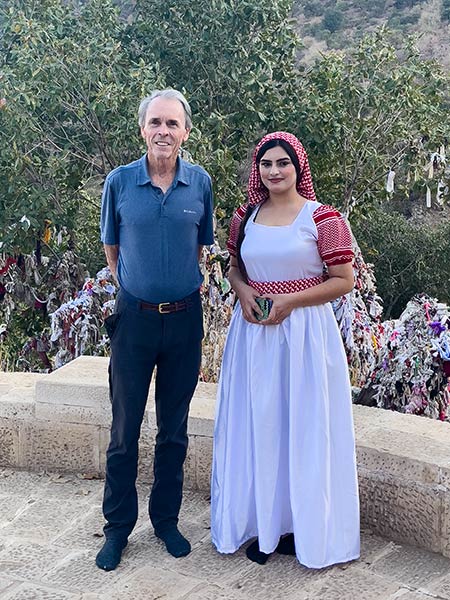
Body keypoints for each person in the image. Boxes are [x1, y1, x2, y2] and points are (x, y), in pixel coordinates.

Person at [211, 131, 360, 568]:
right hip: (254, 335)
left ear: (299, 167)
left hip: (306, 339)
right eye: (266, 164)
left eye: (283, 163)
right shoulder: (245, 217)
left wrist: (289, 302)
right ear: (257, 170)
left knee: (305, 426)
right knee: (260, 425)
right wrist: (242, 295)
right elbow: (236, 270)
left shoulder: (323, 219)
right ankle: (264, 526)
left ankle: (304, 527)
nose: (274, 171)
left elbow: (343, 279)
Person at [96, 89, 214, 571]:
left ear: (185, 132)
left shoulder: (200, 183)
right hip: (135, 321)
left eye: (173, 124)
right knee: (124, 430)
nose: (163, 132)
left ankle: (165, 520)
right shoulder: (119, 182)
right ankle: (117, 530)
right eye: (155, 123)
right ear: (142, 129)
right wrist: (140, 291)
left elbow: (201, 250)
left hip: (184, 321)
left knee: (174, 431)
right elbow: (112, 251)